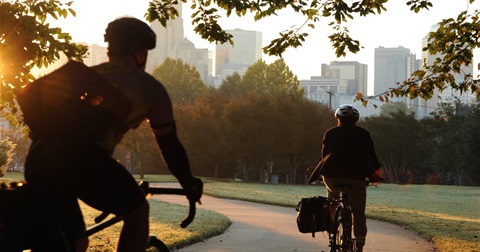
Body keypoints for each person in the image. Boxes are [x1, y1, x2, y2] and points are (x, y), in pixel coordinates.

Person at [24, 17, 202, 252]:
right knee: (138, 213)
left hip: (40, 160)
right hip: (85, 162)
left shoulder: (86, 75)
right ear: (140, 53)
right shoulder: (150, 89)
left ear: (110, 49)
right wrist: (187, 182)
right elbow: (169, 144)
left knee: (73, 240)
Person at [308, 104, 383, 252]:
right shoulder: (363, 134)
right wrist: (375, 173)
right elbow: (372, 158)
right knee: (358, 214)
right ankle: (359, 247)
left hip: (331, 176)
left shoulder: (330, 133)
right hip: (356, 177)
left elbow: (324, 156)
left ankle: (332, 220)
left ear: (338, 119)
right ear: (356, 120)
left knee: (332, 197)